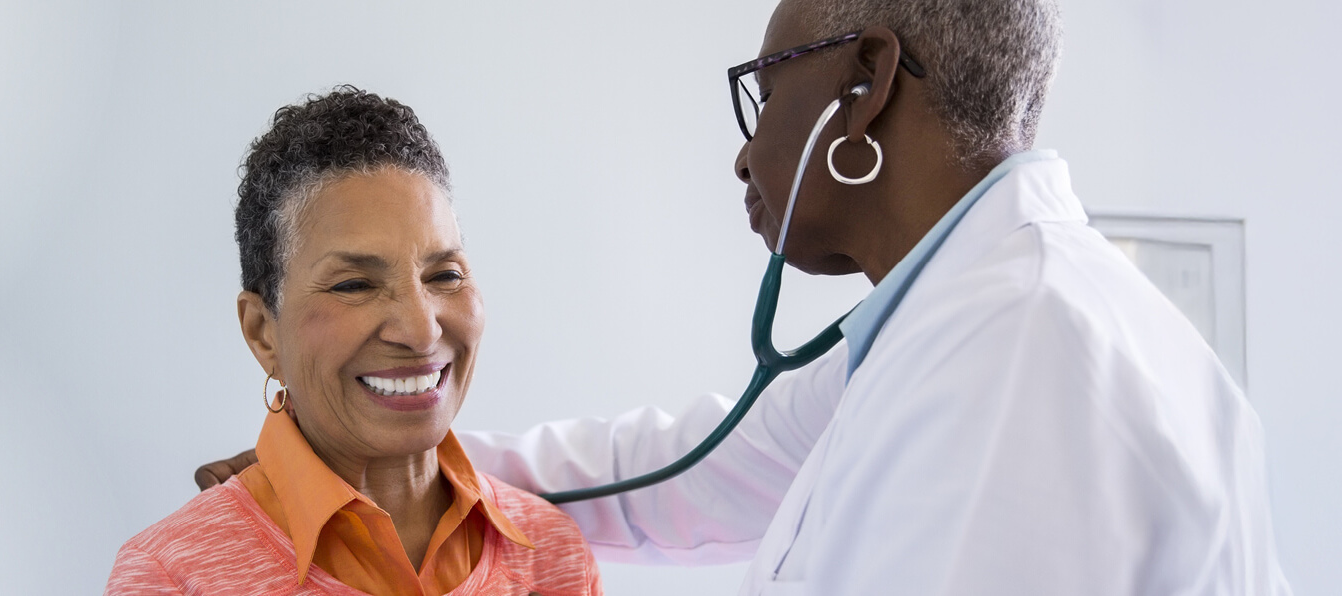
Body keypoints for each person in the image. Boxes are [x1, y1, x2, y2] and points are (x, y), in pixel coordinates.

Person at [198, 1, 1292, 594]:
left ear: (862, 87)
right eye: (355, 280)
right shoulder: (953, 325)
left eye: (765, 94)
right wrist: (400, 468)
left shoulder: (1021, 357)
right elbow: (693, 463)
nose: (745, 153)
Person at [108, 87, 600, 595]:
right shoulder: (171, 577)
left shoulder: (555, 555)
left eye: (446, 275)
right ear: (262, 332)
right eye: (354, 285)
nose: (421, 331)